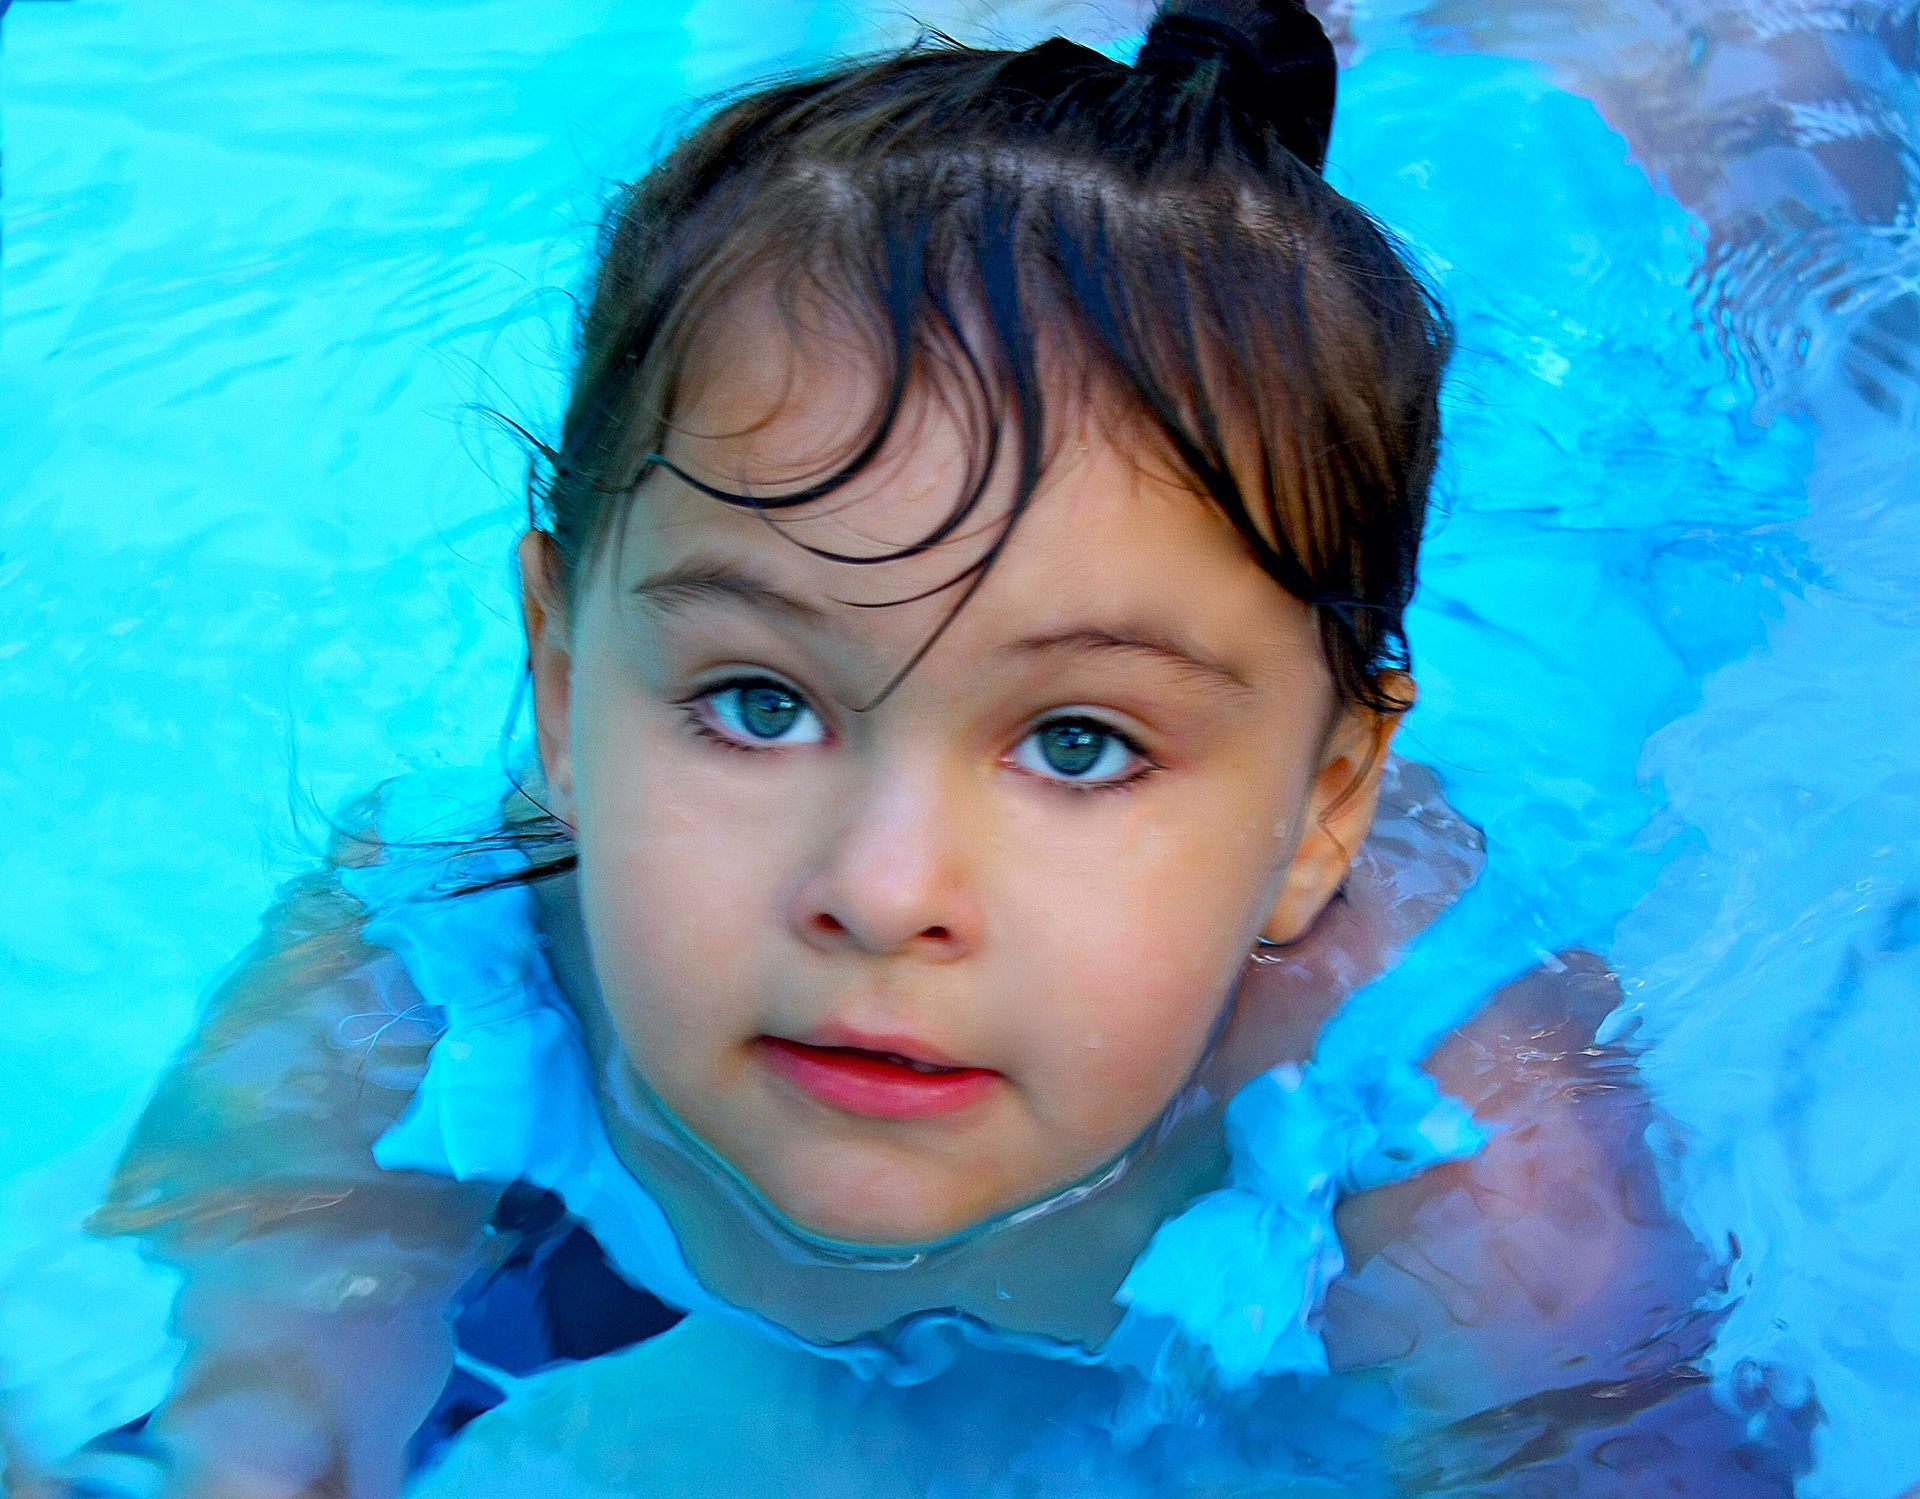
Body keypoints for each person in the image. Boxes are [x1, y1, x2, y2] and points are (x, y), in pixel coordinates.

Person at [50, 1, 1816, 1494]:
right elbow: (251, 1415)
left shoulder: (1467, 1153)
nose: (885, 892)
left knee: (1754, 155)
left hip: (1604, 576)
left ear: (1320, 809)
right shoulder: (423, 967)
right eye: (759, 702)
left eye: (1077, 742)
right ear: (564, 683)